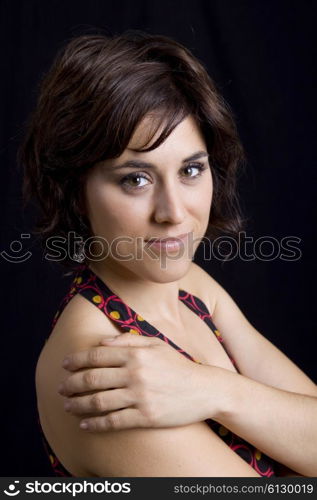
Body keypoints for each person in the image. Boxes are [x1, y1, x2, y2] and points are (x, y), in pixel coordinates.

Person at [20, 30, 317, 478]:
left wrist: (214, 390)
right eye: (135, 179)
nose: (174, 213)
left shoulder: (190, 288)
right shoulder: (99, 363)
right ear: (75, 192)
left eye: (191, 170)